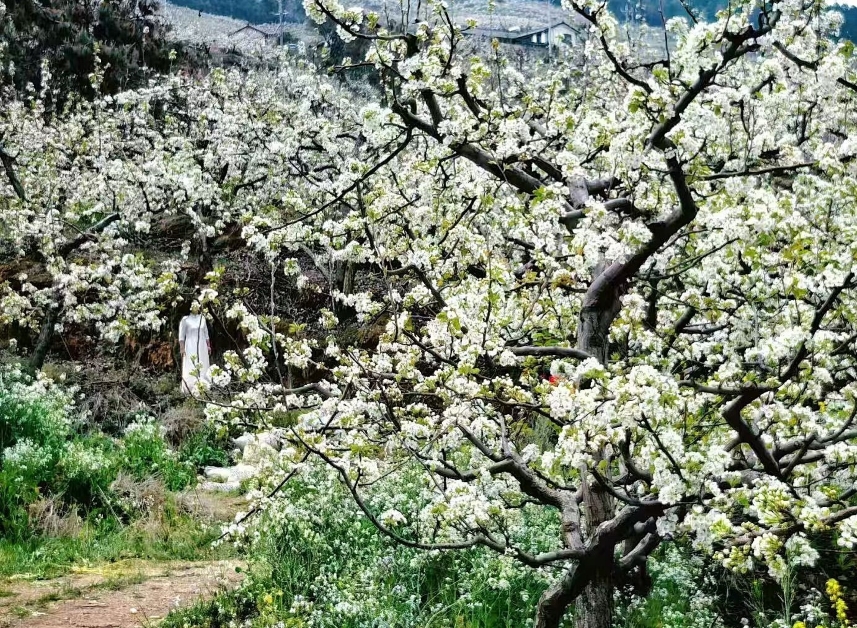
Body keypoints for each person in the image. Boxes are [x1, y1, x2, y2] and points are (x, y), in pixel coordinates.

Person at [178, 304, 211, 395]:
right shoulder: (185, 320)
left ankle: (204, 387)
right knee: (191, 364)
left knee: (203, 364)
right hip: (190, 345)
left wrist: (208, 346)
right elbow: (181, 336)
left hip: (202, 345)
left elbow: (206, 333)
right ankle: (190, 388)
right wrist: (182, 348)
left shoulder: (202, 318)